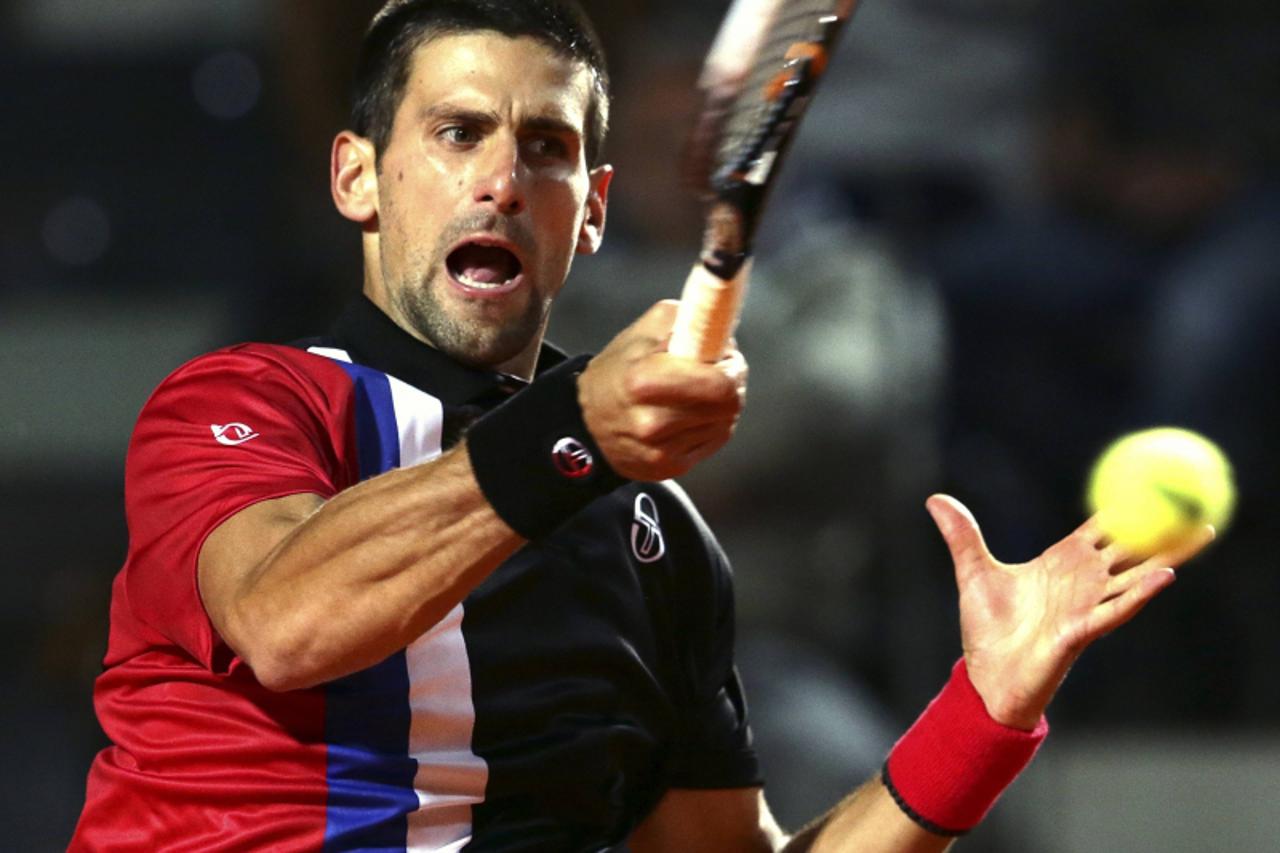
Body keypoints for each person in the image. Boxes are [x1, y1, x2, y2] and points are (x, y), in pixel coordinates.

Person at [71, 1, 1214, 850]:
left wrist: (980, 711)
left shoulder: (652, 537)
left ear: (594, 213)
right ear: (357, 179)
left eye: (548, 149)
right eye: (457, 134)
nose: (502, 181)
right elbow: (287, 620)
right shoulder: (242, 401)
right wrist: (575, 428)